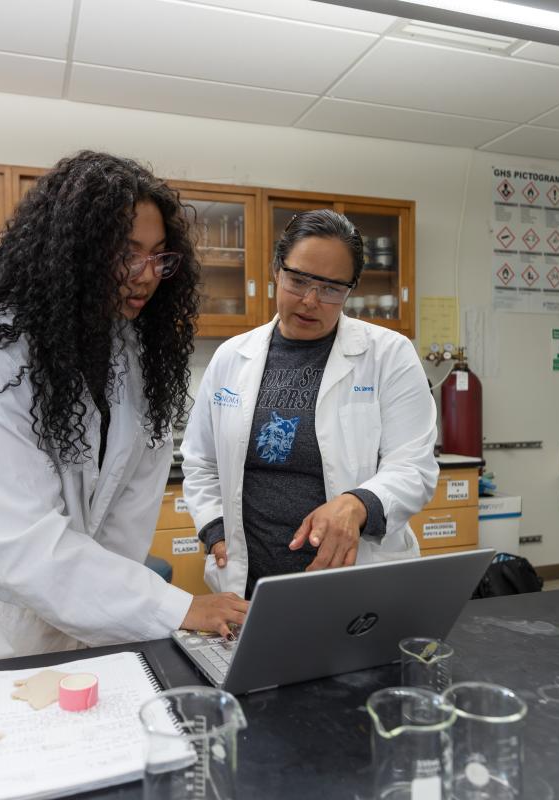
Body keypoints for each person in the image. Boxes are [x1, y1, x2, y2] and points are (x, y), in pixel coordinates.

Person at [0, 151, 247, 673]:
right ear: (76, 252)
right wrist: (175, 606)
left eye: (159, 256)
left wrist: (115, 621)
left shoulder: (134, 354)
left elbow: (124, 522)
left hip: (70, 613)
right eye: (127, 254)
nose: (146, 276)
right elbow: (19, 542)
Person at [181, 209, 438, 599]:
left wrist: (358, 504)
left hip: (355, 579)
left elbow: (414, 467)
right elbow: (201, 461)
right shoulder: (232, 357)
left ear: (351, 290)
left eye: (332, 288)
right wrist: (214, 530)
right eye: (298, 280)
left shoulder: (388, 355)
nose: (310, 300)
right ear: (275, 271)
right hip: (250, 584)